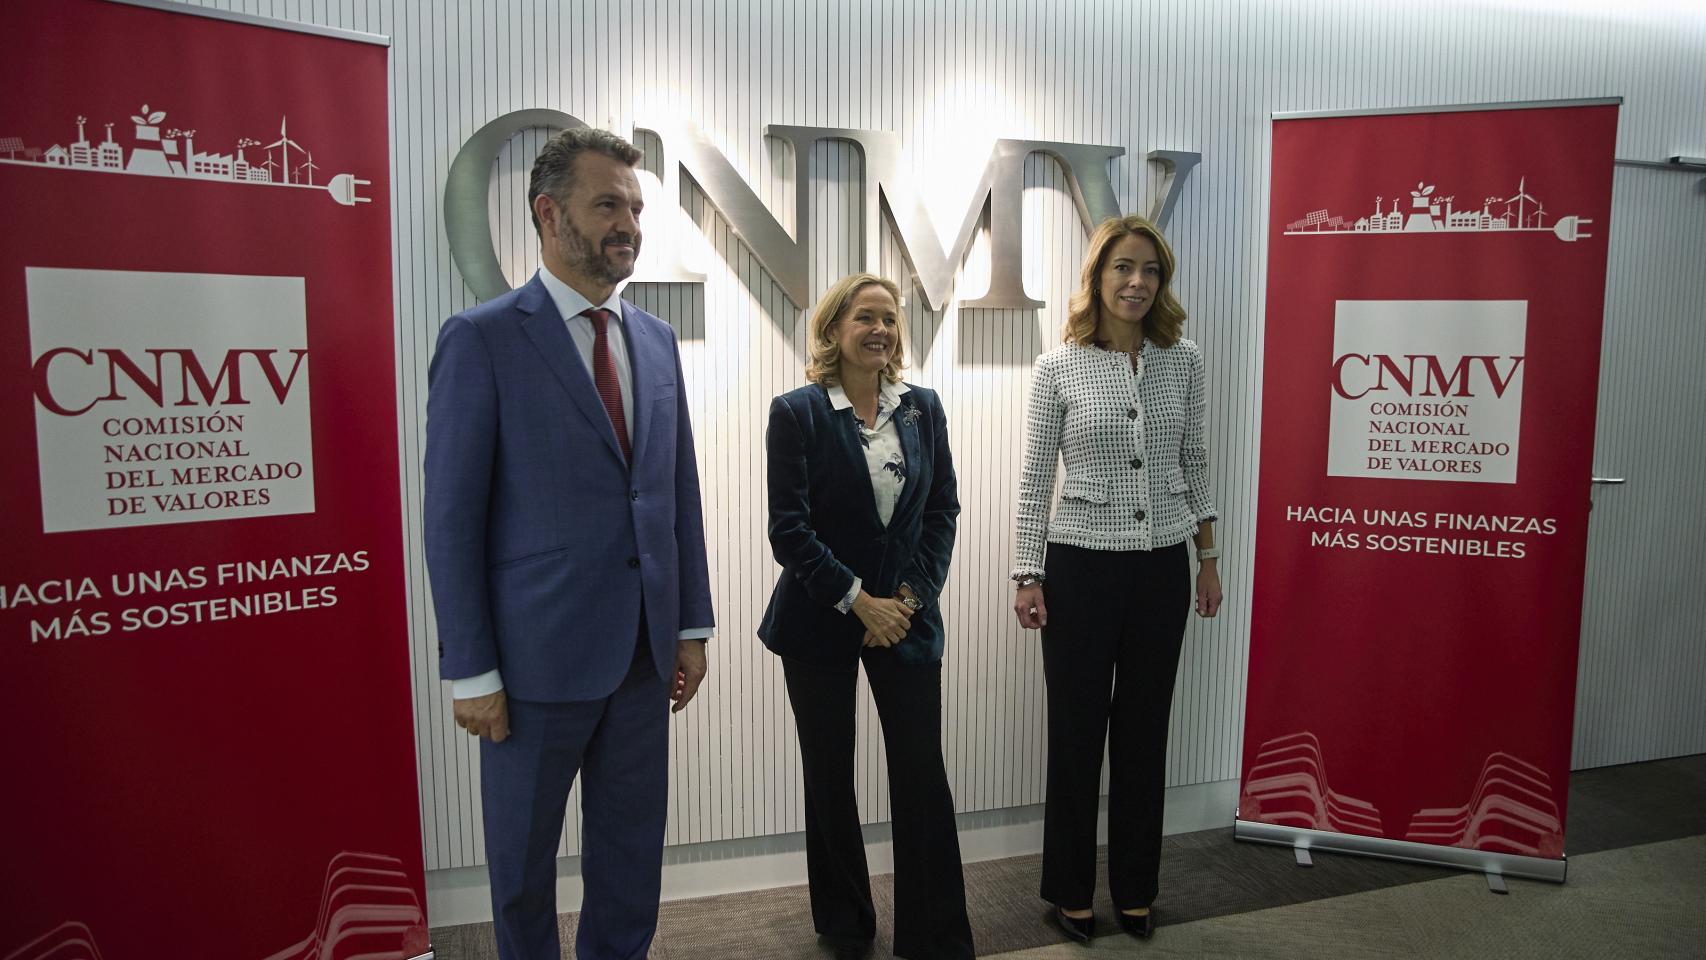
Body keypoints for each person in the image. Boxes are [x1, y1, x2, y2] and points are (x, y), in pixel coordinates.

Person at [424, 126, 714, 960]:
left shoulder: (654, 341)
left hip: (640, 656)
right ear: (549, 214)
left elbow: (675, 493)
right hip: (529, 666)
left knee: (630, 863)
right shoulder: (482, 339)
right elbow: (451, 519)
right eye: (607, 205)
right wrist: (470, 669)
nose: (628, 223)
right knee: (521, 871)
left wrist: (690, 622)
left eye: (634, 206)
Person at [1010, 214, 1223, 943]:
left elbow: (1194, 458)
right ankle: (1069, 888)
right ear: (1098, 278)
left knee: (1144, 734)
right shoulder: (1059, 366)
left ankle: (1137, 886)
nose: (1136, 283)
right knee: (1075, 735)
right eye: (1123, 268)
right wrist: (1026, 572)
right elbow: (1037, 475)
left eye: (1150, 270)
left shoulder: (1184, 359)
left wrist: (1208, 557)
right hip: (1079, 570)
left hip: (1162, 567)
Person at [758, 273, 974, 960]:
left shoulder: (922, 409)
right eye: (865, 317)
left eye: (890, 318)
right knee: (829, 772)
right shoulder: (796, 413)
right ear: (834, 329)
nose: (880, 329)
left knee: (921, 775)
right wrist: (859, 601)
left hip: (905, 618)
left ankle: (933, 935)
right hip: (821, 617)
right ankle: (847, 922)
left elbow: (941, 511)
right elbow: (789, 531)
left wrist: (907, 600)